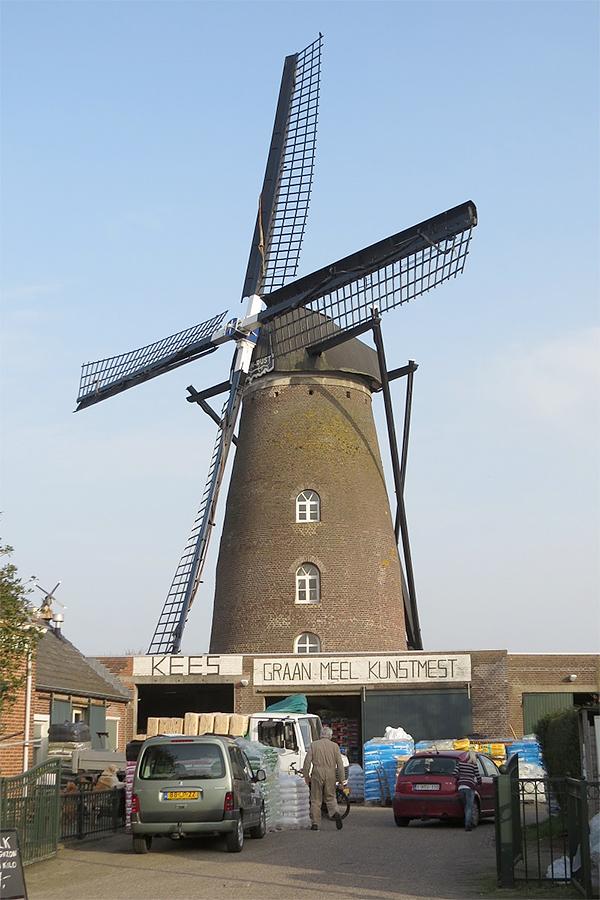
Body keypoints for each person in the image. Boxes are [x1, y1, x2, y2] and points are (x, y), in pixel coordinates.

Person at [302, 725, 345, 831]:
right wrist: (341, 780)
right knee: (330, 797)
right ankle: (335, 812)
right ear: (330, 736)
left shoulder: (314, 745)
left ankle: (315, 823)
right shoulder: (335, 746)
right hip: (330, 773)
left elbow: (307, 761)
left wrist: (306, 775)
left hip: (317, 773)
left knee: (316, 799)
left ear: (321, 735)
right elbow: (340, 764)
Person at [456, 751, 480, 831]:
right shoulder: (474, 765)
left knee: (465, 806)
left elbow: (454, 773)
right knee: (469, 807)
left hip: (461, 787)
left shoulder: (460, 764)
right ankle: (468, 825)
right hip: (470, 787)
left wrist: (460, 778)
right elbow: (478, 776)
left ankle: (466, 822)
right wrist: (479, 783)